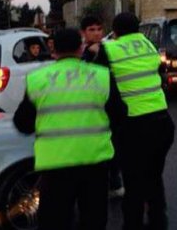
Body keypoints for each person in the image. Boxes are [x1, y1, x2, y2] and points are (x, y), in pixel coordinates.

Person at [13, 28, 127, 230]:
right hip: (95, 163)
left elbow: (22, 123)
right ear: (81, 47)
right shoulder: (102, 76)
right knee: (94, 221)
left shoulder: (37, 79)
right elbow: (119, 113)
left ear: (53, 50)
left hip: (55, 167)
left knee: (55, 222)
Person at [95, 13, 175, 230]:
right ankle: (159, 222)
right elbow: (160, 75)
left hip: (134, 128)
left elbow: (98, 85)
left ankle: (133, 224)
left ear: (115, 31)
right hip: (163, 123)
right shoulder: (148, 45)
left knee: (134, 183)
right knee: (154, 178)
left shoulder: (109, 49)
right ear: (138, 28)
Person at [80, 15, 126, 198]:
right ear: (83, 33)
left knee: (111, 147)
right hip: (91, 109)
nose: (97, 33)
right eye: (92, 29)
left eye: (99, 29)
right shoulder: (84, 52)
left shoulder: (107, 50)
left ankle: (114, 183)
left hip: (109, 107)